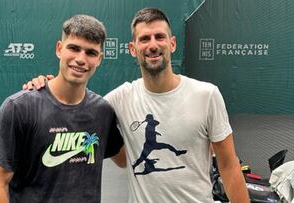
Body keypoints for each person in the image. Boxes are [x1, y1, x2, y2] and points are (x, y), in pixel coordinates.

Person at [23, 8, 249, 203]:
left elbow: (229, 166)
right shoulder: (118, 99)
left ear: (171, 44)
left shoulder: (206, 94)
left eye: (159, 37)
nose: (153, 45)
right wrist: (45, 85)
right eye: (144, 39)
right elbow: (119, 156)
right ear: (133, 48)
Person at [0, 14, 126, 203]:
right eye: (74, 48)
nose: (81, 59)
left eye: (90, 53)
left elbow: (125, 160)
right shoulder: (19, 107)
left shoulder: (102, 111)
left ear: (99, 59)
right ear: (59, 49)